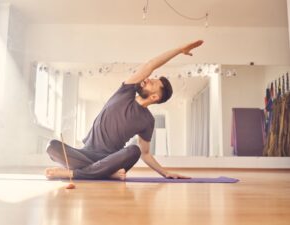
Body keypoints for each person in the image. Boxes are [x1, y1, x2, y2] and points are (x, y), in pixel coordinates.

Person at [45, 40, 204, 180]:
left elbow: (146, 153)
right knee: (52, 146)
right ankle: (104, 173)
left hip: (111, 159)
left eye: (152, 83)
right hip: (86, 153)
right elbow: (149, 65)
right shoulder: (126, 92)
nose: (147, 79)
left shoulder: (148, 121)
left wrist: (165, 172)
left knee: (134, 150)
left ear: (155, 97)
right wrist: (178, 50)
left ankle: (76, 173)